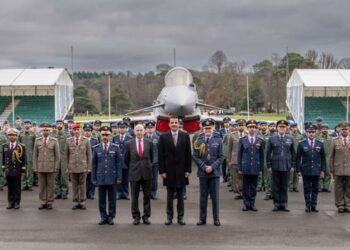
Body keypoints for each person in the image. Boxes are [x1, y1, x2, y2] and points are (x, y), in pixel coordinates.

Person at [158, 116, 192, 226]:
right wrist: (162, 171)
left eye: (175, 122)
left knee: (181, 197)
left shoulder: (185, 136)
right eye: (172, 122)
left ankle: (180, 217)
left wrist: (188, 170)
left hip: (182, 171)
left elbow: (188, 154)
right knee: (169, 196)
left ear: (178, 124)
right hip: (169, 172)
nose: (174, 124)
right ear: (169, 124)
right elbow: (160, 156)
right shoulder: (163, 137)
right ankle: (169, 217)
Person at [193, 118, 224, 226]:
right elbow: (195, 156)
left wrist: (213, 167)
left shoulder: (218, 140)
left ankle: (216, 219)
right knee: (203, 197)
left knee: (215, 198)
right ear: (203, 128)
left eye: (209, 128)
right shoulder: (198, 139)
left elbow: (221, 157)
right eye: (206, 128)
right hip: (203, 173)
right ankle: (202, 219)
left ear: (213, 128)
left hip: (214, 173)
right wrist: (203, 166)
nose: (207, 130)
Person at [92, 126, 122, 225]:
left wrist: (119, 177)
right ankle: (103, 217)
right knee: (101, 200)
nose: (105, 137)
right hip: (101, 178)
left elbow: (118, 164)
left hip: (112, 178)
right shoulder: (96, 148)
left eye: (107, 135)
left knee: (112, 199)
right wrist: (94, 178)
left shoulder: (115, 148)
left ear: (110, 136)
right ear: (100, 136)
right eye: (103, 135)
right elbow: (94, 165)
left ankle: (111, 217)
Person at [124, 124, 153, 225]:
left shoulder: (149, 142)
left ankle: (146, 216)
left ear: (144, 131)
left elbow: (152, 157)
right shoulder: (128, 143)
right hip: (134, 173)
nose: (139, 132)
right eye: (138, 130)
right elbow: (126, 159)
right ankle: (136, 216)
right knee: (134, 197)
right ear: (134, 132)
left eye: (141, 130)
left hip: (146, 173)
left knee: (147, 196)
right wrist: (133, 167)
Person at [266, 120, 296, 212]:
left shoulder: (290, 138)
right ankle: (276, 204)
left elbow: (293, 153)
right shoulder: (272, 138)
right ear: (277, 128)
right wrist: (269, 165)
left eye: (284, 127)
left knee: (284, 185)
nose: (282, 128)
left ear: (286, 128)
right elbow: (268, 153)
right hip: (275, 165)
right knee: (275, 186)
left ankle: (283, 204)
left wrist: (293, 165)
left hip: (286, 165)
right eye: (280, 127)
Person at [296, 124, 326, 212]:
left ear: (316, 133)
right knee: (307, 189)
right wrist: (298, 170)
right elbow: (298, 158)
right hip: (306, 170)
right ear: (306, 133)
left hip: (317, 170)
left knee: (315, 189)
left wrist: (323, 170)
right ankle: (307, 205)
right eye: (309, 132)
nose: (311, 134)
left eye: (313, 132)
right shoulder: (302, 144)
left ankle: (314, 205)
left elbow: (323, 158)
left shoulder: (320, 144)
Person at [237, 120, 264, 212]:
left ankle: (252, 204)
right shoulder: (242, 140)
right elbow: (239, 155)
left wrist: (261, 168)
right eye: (250, 127)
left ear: (256, 129)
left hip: (255, 167)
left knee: (253, 187)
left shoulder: (260, 141)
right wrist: (239, 168)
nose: (252, 129)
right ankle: (246, 204)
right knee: (245, 187)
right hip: (245, 167)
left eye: (253, 127)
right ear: (247, 128)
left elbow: (261, 156)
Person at [33, 123, 60, 210]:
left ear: (50, 131)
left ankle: (50, 202)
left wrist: (56, 166)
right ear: (42, 131)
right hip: (40, 166)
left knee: (51, 185)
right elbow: (35, 155)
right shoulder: (37, 141)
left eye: (47, 130)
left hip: (51, 167)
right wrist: (35, 166)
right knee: (41, 185)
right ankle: (43, 201)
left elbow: (57, 156)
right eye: (44, 130)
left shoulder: (54, 141)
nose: (45, 131)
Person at [65, 123, 91, 210]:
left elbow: (89, 155)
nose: (76, 131)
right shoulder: (68, 141)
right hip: (72, 166)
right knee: (74, 185)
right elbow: (66, 155)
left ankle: (82, 201)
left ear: (80, 130)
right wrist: (67, 167)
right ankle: (75, 201)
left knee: (82, 185)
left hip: (83, 166)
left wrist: (89, 167)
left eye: (77, 130)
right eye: (75, 130)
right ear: (72, 131)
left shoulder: (86, 140)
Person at [329, 122, 350, 213]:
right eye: (343, 129)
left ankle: (348, 205)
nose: (344, 131)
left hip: (349, 168)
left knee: (349, 187)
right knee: (338, 187)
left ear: (349, 130)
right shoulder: (335, 140)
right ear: (339, 130)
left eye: (346, 129)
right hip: (338, 168)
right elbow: (331, 156)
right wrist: (331, 168)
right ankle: (340, 205)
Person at [3, 128, 26, 209]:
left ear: (16, 136)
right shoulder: (5, 146)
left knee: (17, 187)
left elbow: (23, 159)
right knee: (10, 187)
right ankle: (10, 202)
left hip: (17, 170)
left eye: (13, 135)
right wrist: (3, 168)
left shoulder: (21, 146)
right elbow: (4, 158)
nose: (11, 137)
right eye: (10, 135)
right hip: (8, 170)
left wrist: (23, 170)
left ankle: (17, 202)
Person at [112, 121, 133, 200]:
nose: (122, 129)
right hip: (117, 161)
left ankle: (125, 193)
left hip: (126, 162)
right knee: (118, 178)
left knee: (126, 178)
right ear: (118, 128)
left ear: (126, 128)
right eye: (120, 128)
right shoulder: (115, 138)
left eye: (123, 128)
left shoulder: (130, 138)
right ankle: (119, 193)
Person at [228, 119, 246, 200]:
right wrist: (229, 160)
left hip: (245, 159)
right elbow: (229, 148)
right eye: (239, 125)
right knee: (235, 177)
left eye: (242, 125)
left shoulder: (247, 134)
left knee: (243, 177)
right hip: (234, 159)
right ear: (237, 126)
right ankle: (237, 193)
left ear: (244, 126)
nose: (241, 127)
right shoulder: (232, 135)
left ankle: (243, 191)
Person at [51, 119, 69, 199]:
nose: (59, 125)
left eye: (60, 123)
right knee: (56, 176)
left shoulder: (67, 136)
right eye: (57, 124)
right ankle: (57, 192)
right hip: (55, 159)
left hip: (64, 159)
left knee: (64, 177)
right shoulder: (53, 137)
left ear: (63, 125)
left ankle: (64, 192)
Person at [19, 119, 36, 191]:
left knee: (30, 170)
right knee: (23, 170)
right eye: (25, 123)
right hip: (22, 154)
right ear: (24, 125)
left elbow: (35, 145)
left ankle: (29, 184)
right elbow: (18, 144)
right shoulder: (21, 133)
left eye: (28, 123)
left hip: (30, 154)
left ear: (30, 125)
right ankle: (23, 184)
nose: (27, 125)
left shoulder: (33, 134)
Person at [144, 121, 160, 200]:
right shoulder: (143, 138)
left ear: (154, 128)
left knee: (154, 179)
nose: (150, 129)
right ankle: (147, 193)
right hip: (145, 162)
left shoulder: (158, 137)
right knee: (146, 178)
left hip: (155, 162)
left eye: (151, 128)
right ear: (145, 129)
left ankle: (153, 193)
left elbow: (160, 150)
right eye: (148, 128)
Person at [83, 123, 99, 199]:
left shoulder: (95, 141)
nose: (87, 132)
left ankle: (91, 193)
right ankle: (85, 193)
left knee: (92, 179)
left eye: (89, 131)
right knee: (84, 180)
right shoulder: (81, 140)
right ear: (83, 131)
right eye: (86, 130)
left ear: (91, 131)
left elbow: (97, 152)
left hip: (92, 163)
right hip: (83, 162)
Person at [317, 124, 332, 192]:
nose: (325, 130)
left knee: (328, 173)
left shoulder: (331, 138)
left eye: (326, 129)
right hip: (319, 157)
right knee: (320, 172)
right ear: (321, 130)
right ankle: (320, 186)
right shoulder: (317, 138)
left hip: (328, 158)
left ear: (328, 129)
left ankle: (326, 187)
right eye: (323, 129)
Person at [288, 122, 303, 192]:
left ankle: (295, 186)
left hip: (298, 156)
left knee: (297, 171)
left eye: (295, 127)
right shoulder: (288, 136)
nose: (294, 128)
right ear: (290, 128)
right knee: (291, 172)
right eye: (293, 127)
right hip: (290, 156)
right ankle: (290, 186)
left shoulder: (300, 136)